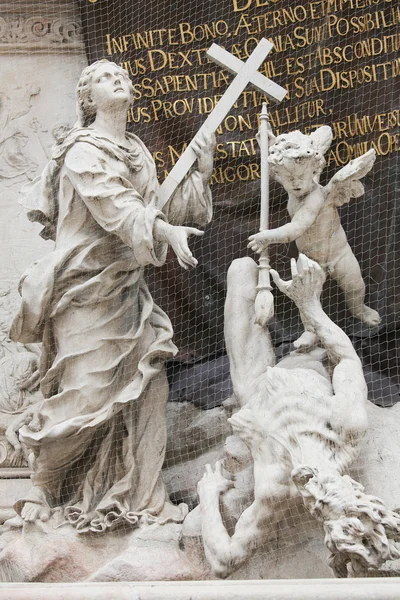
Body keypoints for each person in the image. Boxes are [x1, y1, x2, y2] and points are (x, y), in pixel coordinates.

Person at [8, 59, 216, 533]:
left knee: (150, 388)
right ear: (87, 99)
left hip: (126, 289)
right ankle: (42, 483)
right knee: (88, 392)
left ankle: (145, 500)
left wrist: (201, 171)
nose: (118, 78)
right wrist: (162, 227)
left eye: (122, 74)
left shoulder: (138, 150)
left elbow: (159, 207)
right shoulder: (82, 151)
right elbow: (117, 208)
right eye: (104, 76)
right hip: (83, 290)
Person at [198, 255, 400, 578]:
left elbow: (225, 560)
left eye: (322, 513)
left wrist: (207, 496)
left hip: (255, 385)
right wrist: (310, 305)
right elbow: (347, 357)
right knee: (255, 266)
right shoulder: (349, 427)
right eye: (341, 502)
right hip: (308, 356)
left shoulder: (275, 485)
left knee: (240, 270)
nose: (320, 500)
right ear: (356, 490)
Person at [247, 126, 380, 349]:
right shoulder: (299, 181)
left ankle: (358, 309)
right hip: (310, 260)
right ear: (278, 177)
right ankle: (310, 331)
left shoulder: (316, 197)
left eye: (301, 177)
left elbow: (293, 230)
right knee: (307, 299)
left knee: (355, 285)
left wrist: (265, 237)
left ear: (314, 169)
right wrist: (269, 146)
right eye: (289, 179)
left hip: (339, 253)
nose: (296, 183)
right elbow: (290, 163)